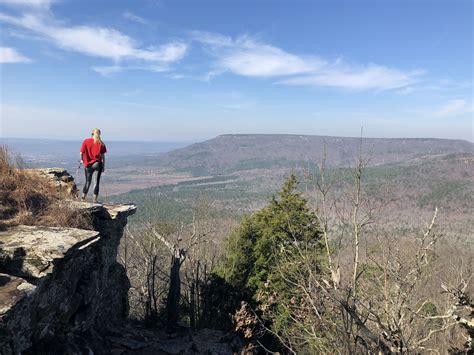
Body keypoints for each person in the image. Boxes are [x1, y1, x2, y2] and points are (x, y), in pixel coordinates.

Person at [80, 128, 107, 203]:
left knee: (87, 182)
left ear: (92, 134)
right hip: (97, 164)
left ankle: (83, 199)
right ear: (99, 134)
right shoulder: (101, 143)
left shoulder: (86, 141)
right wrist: (103, 166)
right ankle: (95, 200)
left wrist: (82, 160)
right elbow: (103, 157)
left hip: (88, 165)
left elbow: (81, 153)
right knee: (96, 183)